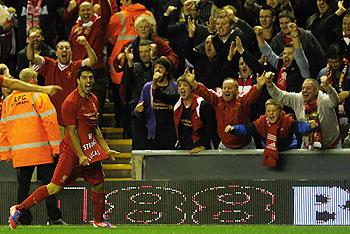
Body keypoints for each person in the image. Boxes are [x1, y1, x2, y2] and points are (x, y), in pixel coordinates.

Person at [8, 66, 120, 229]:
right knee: (54, 188)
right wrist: (81, 155)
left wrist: (106, 149)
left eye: (90, 78)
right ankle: (19, 209)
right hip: (72, 152)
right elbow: (72, 132)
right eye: (84, 78)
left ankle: (99, 220)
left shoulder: (94, 99)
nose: (88, 81)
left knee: (99, 182)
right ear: (78, 80)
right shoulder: (70, 102)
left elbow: (95, 128)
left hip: (89, 150)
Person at [0, 68, 65, 225]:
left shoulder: (8, 101)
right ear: (32, 80)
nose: (37, 81)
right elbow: (50, 122)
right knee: (49, 185)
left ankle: (22, 219)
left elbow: (3, 128)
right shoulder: (39, 95)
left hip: (21, 153)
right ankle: (54, 218)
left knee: (23, 188)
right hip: (42, 150)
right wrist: (56, 148)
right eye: (35, 78)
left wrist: (5, 154)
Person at [27, 32, 97, 136]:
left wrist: (86, 44)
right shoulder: (48, 63)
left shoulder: (77, 65)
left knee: (73, 148)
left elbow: (93, 60)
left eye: (67, 48)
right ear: (56, 52)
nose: (64, 50)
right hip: (52, 114)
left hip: (73, 115)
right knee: (57, 148)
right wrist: (31, 42)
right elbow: (31, 57)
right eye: (61, 48)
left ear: (71, 52)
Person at [182, 67, 269, 150]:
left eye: (229, 88)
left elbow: (252, 94)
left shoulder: (242, 101)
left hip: (246, 146)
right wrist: (193, 83)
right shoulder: (217, 100)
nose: (226, 90)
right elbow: (205, 92)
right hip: (224, 147)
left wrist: (259, 86)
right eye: (224, 88)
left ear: (236, 91)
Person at [225, 98, 314, 167]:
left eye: (274, 111)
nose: (271, 113)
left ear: (280, 111)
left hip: (289, 151)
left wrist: (310, 126)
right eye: (268, 111)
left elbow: (300, 127)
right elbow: (247, 129)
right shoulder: (261, 122)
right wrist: (233, 129)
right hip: (268, 153)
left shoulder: (287, 121)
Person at [266, 74, 341, 149]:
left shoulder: (324, 100)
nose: (304, 90)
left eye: (308, 88)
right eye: (303, 88)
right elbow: (280, 96)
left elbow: (335, 101)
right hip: (308, 145)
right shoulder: (297, 99)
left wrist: (328, 88)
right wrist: (270, 84)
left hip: (332, 144)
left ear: (316, 91)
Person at [134, 57, 177, 150]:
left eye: (160, 67)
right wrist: (139, 110)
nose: (157, 69)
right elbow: (139, 108)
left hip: (170, 130)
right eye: (155, 67)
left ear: (167, 71)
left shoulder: (175, 86)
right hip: (153, 130)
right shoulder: (147, 87)